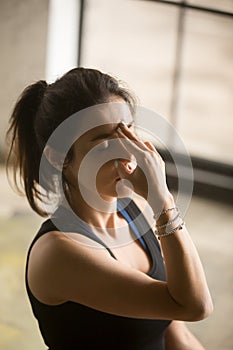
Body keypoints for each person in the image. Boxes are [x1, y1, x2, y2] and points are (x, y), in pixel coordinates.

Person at [6, 67, 213, 350]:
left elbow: (175, 332)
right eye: (105, 144)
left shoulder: (133, 212)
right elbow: (195, 306)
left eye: (128, 133)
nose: (129, 154)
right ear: (59, 157)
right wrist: (162, 200)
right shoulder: (57, 252)